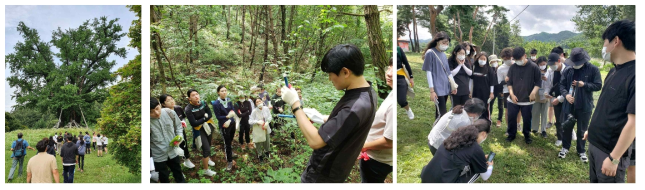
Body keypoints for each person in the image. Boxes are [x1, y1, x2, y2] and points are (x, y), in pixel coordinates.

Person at [280, 44, 378, 183]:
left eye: (330, 74)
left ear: (345, 72)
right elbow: (348, 124)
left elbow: (315, 141)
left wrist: (295, 105)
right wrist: (322, 118)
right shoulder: (367, 93)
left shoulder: (355, 107)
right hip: (335, 172)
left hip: (322, 176)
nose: (330, 79)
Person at [585, 20, 635, 183]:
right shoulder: (614, 70)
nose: (603, 47)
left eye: (604, 42)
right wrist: (591, 130)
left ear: (615, 41)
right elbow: (604, 105)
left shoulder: (635, 75)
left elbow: (634, 123)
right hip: (595, 143)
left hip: (610, 151)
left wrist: (614, 158)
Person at [557, 48, 602, 162]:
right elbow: (562, 85)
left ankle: (581, 150)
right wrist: (566, 95)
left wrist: (584, 84)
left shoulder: (593, 69)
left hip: (584, 105)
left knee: (582, 129)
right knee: (567, 127)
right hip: (569, 104)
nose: (575, 65)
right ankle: (565, 147)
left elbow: (598, 85)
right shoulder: (568, 70)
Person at [421, 120, 493, 183]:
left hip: (426, 176)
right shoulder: (475, 148)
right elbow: (485, 176)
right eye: (485, 135)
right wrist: (490, 166)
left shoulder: (455, 136)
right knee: (478, 169)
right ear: (483, 133)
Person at [360, 63, 395, 183]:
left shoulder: (393, 105)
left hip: (377, 160)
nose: (389, 73)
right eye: (388, 68)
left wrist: (362, 146)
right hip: (376, 156)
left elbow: (389, 142)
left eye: (394, 70)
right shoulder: (393, 93)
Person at [505, 47, 541, 144]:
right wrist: (511, 94)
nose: (517, 62)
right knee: (512, 117)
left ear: (525, 56)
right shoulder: (513, 67)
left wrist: (533, 92)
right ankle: (511, 134)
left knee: (527, 118)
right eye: (515, 60)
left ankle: (527, 134)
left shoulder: (534, 67)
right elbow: (509, 83)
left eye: (519, 59)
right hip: (513, 99)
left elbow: (538, 82)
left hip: (527, 100)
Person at [150, 97, 188, 183]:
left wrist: (179, 138)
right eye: (151, 112)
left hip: (173, 151)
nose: (156, 113)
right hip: (158, 155)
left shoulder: (169, 112)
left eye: (157, 109)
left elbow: (178, 126)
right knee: (164, 177)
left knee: (178, 173)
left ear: (160, 105)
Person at [422, 31, 456, 120]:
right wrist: (432, 91)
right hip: (437, 88)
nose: (445, 44)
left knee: (440, 113)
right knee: (442, 113)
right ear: (437, 41)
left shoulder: (444, 55)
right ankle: (437, 131)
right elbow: (428, 72)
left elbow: (448, 72)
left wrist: (453, 86)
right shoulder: (430, 53)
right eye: (443, 42)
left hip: (445, 87)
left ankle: (436, 131)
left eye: (447, 43)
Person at [184, 89, 217, 176]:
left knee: (209, 143)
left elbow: (210, 114)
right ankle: (206, 170)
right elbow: (193, 123)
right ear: (189, 98)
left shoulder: (203, 103)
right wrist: (204, 119)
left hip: (208, 126)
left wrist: (202, 119)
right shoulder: (188, 109)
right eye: (193, 95)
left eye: (197, 94)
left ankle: (208, 159)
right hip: (199, 130)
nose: (196, 96)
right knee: (206, 148)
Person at [159, 94, 195, 168]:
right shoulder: (162, 113)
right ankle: (177, 167)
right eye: (168, 101)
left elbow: (183, 117)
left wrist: (183, 122)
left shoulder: (178, 108)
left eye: (172, 99)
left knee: (184, 145)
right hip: (171, 135)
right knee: (174, 150)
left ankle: (186, 160)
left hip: (180, 131)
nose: (171, 101)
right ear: (163, 104)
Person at [212, 85, 238, 171]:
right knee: (227, 143)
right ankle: (229, 161)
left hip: (232, 123)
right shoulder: (216, 103)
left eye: (225, 90)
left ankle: (230, 152)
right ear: (218, 92)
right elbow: (218, 116)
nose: (224, 92)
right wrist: (227, 117)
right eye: (222, 91)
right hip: (224, 125)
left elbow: (233, 111)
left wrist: (230, 119)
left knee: (230, 139)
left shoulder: (229, 100)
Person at [547, 52, 569, 147]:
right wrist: (547, 93)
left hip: (566, 98)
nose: (552, 67)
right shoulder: (551, 71)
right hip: (556, 98)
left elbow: (570, 88)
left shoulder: (568, 71)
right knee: (558, 119)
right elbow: (549, 84)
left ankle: (568, 136)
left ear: (559, 61)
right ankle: (560, 138)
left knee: (567, 119)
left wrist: (560, 99)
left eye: (553, 64)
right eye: (550, 65)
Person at [471, 51, 498, 122]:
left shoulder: (489, 69)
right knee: (476, 106)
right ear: (478, 59)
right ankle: (476, 121)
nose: (482, 60)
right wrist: (470, 91)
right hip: (475, 92)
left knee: (485, 107)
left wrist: (491, 93)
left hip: (486, 92)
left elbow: (492, 82)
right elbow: (471, 80)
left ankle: (486, 121)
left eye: (484, 59)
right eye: (481, 58)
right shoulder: (474, 67)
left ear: (486, 60)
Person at [530, 56, 552, 138]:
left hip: (546, 93)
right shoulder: (534, 71)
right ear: (538, 64)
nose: (543, 65)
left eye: (544, 64)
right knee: (535, 111)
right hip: (536, 93)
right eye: (541, 64)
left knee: (544, 112)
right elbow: (531, 81)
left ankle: (543, 130)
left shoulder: (549, 71)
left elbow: (551, 83)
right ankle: (535, 128)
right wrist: (539, 78)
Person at [496, 48, 513, 131]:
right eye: (505, 59)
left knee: (518, 109)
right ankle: (509, 128)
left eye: (508, 58)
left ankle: (517, 125)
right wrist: (505, 81)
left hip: (518, 90)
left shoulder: (517, 65)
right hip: (506, 91)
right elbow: (499, 82)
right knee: (508, 110)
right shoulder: (500, 68)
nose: (507, 60)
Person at [397, 46, 415, 120]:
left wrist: (411, 77)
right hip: (389, 77)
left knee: (401, 100)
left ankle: (408, 109)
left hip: (400, 77)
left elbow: (405, 62)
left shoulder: (398, 49)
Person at [488, 54, 504, 127]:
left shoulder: (501, 69)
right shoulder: (489, 70)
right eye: (492, 62)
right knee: (490, 104)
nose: (493, 63)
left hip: (500, 90)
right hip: (492, 90)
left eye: (494, 61)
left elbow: (503, 80)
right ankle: (489, 118)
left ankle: (499, 120)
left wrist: (502, 91)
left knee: (500, 106)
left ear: (497, 61)